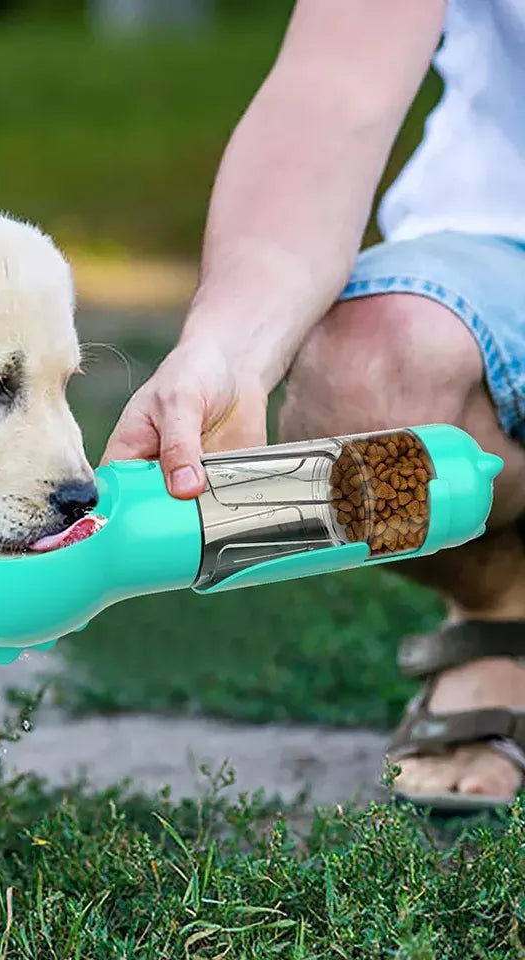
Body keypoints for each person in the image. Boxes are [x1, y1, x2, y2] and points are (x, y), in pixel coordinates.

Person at [103, 0, 525, 811]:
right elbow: (330, 95)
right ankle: (504, 612)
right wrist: (230, 347)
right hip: (499, 238)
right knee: (369, 385)